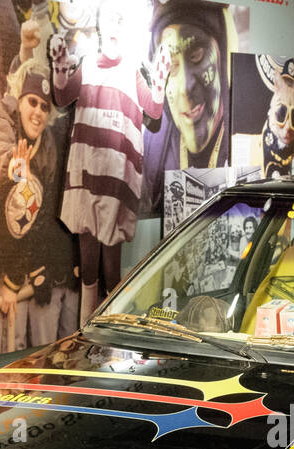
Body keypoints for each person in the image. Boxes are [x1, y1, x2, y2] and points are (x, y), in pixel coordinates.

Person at [55, 0, 168, 325]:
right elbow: (62, 96)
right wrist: (60, 67)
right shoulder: (88, 65)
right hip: (85, 182)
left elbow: (154, 109)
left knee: (110, 271)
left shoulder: (131, 69)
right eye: (110, 20)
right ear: (102, 27)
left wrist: (160, 78)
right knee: (88, 269)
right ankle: (86, 336)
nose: (115, 27)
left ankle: (109, 338)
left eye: (121, 21)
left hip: (116, 185)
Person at [0, 70, 73, 355]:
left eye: (44, 106)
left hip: (14, 246)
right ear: (19, 101)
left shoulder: (47, 148)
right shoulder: (1, 115)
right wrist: (11, 168)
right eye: (32, 102)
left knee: (19, 330)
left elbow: (36, 221)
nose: (37, 111)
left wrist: (15, 278)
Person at [141, 0, 230, 218]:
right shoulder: (152, 150)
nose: (185, 88)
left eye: (197, 55)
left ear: (221, 51)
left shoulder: (245, 133)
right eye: (170, 66)